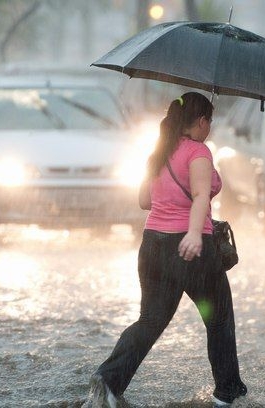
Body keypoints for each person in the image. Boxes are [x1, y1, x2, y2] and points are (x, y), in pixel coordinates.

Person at [85, 92, 247, 408]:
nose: (209, 129)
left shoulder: (157, 153)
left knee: (150, 320)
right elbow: (201, 196)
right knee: (219, 319)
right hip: (189, 249)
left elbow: (145, 201)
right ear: (202, 122)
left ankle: (108, 379)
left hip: (152, 245)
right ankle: (227, 393)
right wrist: (193, 235)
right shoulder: (199, 152)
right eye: (209, 122)